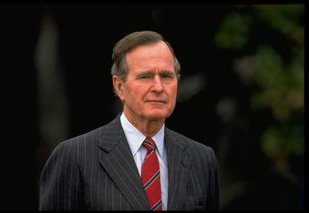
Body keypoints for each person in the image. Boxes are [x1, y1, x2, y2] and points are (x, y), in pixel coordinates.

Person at [39, 30, 219, 210]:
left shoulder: (201, 159)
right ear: (119, 86)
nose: (158, 87)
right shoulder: (75, 157)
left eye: (166, 76)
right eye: (145, 76)